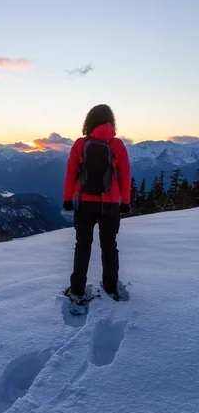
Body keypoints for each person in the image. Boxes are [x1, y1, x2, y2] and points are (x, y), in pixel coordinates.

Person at [63, 104, 131, 313]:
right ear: (111, 122)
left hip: (84, 203)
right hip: (110, 205)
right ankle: (110, 289)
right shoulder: (117, 145)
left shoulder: (80, 144)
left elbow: (71, 173)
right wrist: (125, 202)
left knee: (82, 247)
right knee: (109, 246)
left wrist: (67, 199)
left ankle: (77, 291)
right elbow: (124, 176)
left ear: (89, 122)